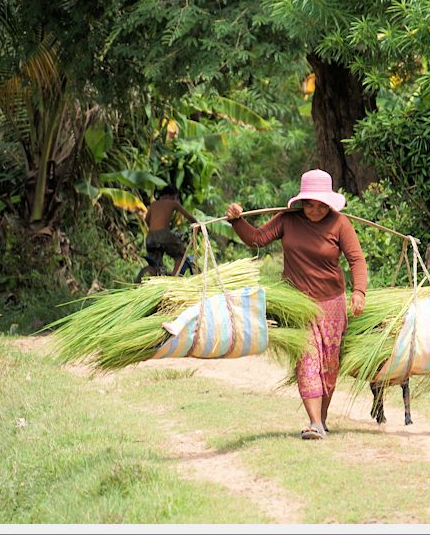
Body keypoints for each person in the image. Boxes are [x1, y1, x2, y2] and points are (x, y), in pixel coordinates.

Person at [226, 169, 367, 440]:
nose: (314, 210)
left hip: (332, 304)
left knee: (329, 364)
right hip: (298, 304)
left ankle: (322, 419)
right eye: (309, 204)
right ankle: (314, 422)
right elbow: (257, 239)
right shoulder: (287, 220)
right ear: (300, 202)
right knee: (307, 360)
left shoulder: (340, 224)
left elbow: (357, 260)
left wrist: (358, 292)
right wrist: (237, 221)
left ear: (329, 203)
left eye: (320, 205)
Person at [145, 185, 198, 275]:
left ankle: (153, 277)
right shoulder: (173, 203)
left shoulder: (153, 204)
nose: (175, 199)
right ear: (170, 195)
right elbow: (189, 217)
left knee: (154, 263)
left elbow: (146, 220)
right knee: (181, 254)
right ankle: (174, 278)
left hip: (150, 238)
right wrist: (198, 225)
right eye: (175, 197)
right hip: (163, 235)